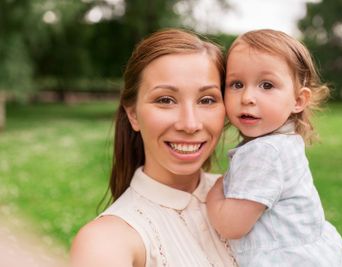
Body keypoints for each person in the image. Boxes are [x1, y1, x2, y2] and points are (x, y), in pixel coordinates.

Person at [70, 28, 238, 267]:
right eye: (165, 100)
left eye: (207, 100)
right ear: (133, 114)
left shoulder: (249, 197)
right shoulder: (105, 242)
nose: (190, 124)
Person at [206, 29, 342, 266]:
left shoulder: (264, 153)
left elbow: (231, 225)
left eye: (266, 85)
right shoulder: (285, 141)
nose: (247, 97)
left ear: (298, 100)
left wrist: (213, 193)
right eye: (236, 84)